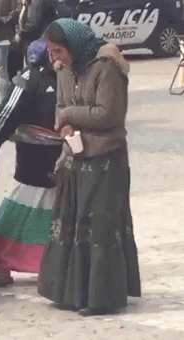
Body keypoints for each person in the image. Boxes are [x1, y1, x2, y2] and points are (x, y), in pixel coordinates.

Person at [37, 18, 140, 317]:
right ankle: (69, 292)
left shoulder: (107, 68)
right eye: (51, 52)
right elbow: (59, 107)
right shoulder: (64, 72)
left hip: (106, 160)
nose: (54, 58)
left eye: (59, 51)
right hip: (75, 157)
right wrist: (65, 126)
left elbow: (108, 115)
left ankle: (100, 297)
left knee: (99, 229)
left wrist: (69, 113)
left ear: (75, 47)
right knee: (71, 224)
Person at [0, 38, 61, 286]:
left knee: (33, 209)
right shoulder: (38, 79)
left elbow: (5, 117)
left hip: (47, 158)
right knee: (36, 207)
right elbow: (6, 117)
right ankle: (11, 263)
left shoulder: (35, 79)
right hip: (45, 158)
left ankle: (15, 264)